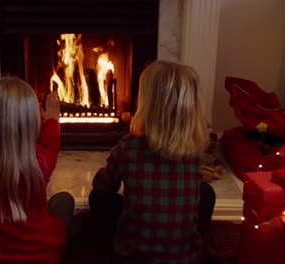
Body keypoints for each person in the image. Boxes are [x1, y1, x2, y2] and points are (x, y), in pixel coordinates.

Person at [89, 60, 216, 263]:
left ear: (146, 104)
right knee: (206, 192)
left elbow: (104, 186)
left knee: (98, 197)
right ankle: (188, 243)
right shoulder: (192, 152)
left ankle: (113, 246)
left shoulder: (128, 147)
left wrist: (104, 174)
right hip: (183, 259)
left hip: (133, 256)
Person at [0, 76, 74, 263]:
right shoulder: (38, 165)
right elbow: (51, 147)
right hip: (45, 254)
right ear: (30, 124)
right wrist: (52, 121)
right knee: (65, 201)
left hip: (1, 256)